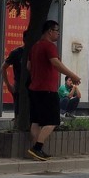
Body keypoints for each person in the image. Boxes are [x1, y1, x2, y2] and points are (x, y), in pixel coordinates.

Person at [26, 20, 82, 161]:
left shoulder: (35, 47)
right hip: (47, 90)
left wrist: (38, 73)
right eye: (57, 31)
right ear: (50, 31)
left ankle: (36, 151)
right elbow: (56, 63)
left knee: (36, 121)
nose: (58, 34)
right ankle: (37, 148)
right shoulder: (49, 46)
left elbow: (28, 66)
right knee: (53, 120)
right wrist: (72, 75)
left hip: (34, 89)